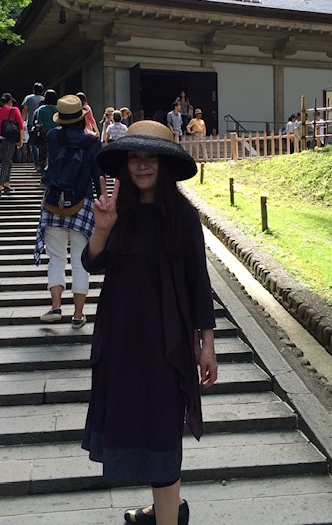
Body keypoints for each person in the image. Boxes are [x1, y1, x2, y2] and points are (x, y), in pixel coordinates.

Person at [81, 120, 217, 525]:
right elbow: (91, 263)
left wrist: (207, 344)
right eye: (134, 158)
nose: (141, 166)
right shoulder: (117, 211)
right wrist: (102, 230)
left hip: (166, 340)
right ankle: (167, 508)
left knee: (161, 423)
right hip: (121, 335)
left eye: (151, 158)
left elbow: (199, 283)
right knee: (135, 417)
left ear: (165, 164)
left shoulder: (183, 217)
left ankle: (167, 517)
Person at [34, 95, 103, 326]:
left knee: (55, 258)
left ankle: (55, 307)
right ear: (82, 118)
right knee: (80, 260)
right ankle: (78, 315)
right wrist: (102, 203)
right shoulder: (92, 142)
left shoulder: (53, 136)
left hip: (53, 202)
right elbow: (98, 176)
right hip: (82, 203)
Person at [0, 93, 24, 197]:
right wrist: (21, 139)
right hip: (9, 140)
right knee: (5, 163)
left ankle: (7, 184)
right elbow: (21, 125)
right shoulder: (15, 110)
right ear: (10, 101)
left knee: (7, 161)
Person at [35, 89, 58, 171]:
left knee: (43, 153)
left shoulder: (41, 109)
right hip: (57, 134)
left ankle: (42, 169)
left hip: (44, 134)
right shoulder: (59, 109)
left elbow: (39, 123)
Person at [21, 82, 44, 166]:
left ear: (34, 90)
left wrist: (22, 121)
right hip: (42, 123)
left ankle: (36, 162)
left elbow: (25, 110)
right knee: (41, 141)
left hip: (31, 122)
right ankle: (42, 160)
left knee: (33, 142)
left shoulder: (28, 98)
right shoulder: (44, 99)